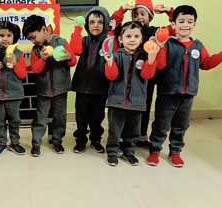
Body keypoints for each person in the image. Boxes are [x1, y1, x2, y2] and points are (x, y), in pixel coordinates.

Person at [146, 5, 222, 167]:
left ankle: (175, 151)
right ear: (173, 25)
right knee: (161, 123)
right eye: (181, 21)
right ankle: (154, 150)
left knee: (181, 125)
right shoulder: (168, 44)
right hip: (167, 92)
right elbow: (159, 66)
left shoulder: (198, 46)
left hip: (188, 93)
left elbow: (206, 64)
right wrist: (159, 46)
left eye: (190, 21)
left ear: (194, 25)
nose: (185, 25)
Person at [111, 0, 175, 148]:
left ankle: (140, 136)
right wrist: (123, 9)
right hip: (126, 76)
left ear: (150, 16)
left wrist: (168, 11)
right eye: (135, 14)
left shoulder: (155, 31)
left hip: (147, 76)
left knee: (143, 107)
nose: (139, 17)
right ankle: (121, 137)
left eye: (143, 14)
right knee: (124, 108)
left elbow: (173, 27)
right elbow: (113, 24)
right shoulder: (128, 29)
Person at [103, 21, 159, 166]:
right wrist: (109, 63)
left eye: (136, 36)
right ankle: (113, 151)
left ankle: (129, 151)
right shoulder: (115, 55)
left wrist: (151, 59)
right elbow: (112, 76)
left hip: (137, 101)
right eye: (128, 36)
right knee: (115, 130)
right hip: (117, 101)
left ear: (141, 39)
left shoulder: (144, 56)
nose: (132, 39)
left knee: (133, 131)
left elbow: (147, 75)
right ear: (120, 39)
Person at [22, 15, 77, 156]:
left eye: (34, 37)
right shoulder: (36, 50)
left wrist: (69, 57)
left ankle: (57, 140)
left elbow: (72, 61)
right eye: (30, 39)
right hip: (43, 90)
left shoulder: (61, 42)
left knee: (60, 116)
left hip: (61, 88)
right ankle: (36, 142)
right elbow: (35, 70)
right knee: (41, 117)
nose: (33, 41)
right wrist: (43, 59)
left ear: (44, 29)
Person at [69, 6, 113, 154]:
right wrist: (76, 29)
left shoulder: (108, 42)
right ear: (87, 24)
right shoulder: (84, 40)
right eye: (92, 22)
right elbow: (75, 50)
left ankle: (95, 140)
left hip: (101, 87)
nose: (95, 25)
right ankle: (80, 141)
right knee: (81, 117)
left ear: (105, 24)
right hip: (82, 87)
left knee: (97, 116)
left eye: (100, 22)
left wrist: (112, 32)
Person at [0, 21, 27, 156]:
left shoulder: (18, 54)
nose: (5, 38)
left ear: (14, 37)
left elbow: (22, 75)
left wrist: (15, 64)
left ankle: (15, 142)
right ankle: (2, 143)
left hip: (15, 95)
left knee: (15, 120)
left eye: (9, 35)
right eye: (1, 35)